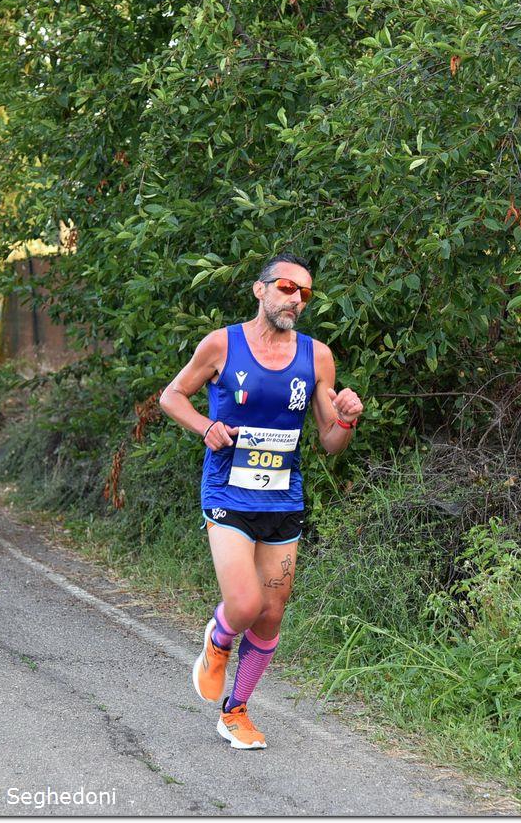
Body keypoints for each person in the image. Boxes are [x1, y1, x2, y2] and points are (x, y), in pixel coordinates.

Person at [159, 252, 364, 749]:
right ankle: (219, 639)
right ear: (261, 289)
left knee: (271, 612)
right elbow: (172, 396)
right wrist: (206, 427)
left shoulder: (317, 356)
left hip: (282, 498)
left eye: (305, 293)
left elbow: (330, 442)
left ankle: (236, 711)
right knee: (246, 603)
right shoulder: (221, 344)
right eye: (287, 287)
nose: (297, 299)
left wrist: (346, 418)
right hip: (228, 492)